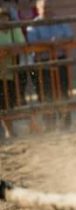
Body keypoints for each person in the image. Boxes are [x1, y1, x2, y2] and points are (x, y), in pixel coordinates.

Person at [27, 0, 74, 130]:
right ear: (38, 9)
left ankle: (65, 124)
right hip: (42, 64)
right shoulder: (33, 24)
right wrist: (50, 43)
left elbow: (70, 36)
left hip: (60, 60)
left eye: (49, 7)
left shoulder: (60, 21)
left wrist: (58, 41)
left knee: (63, 91)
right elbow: (32, 41)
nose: (47, 10)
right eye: (44, 7)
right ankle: (49, 124)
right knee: (44, 94)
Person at [0, 6, 25, 138]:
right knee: (3, 103)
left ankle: (10, 130)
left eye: (5, 18)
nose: (3, 21)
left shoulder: (14, 28)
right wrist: (8, 50)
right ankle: (8, 130)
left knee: (9, 102)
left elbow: (21, 45)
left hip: (11, 71)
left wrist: (6, 51)